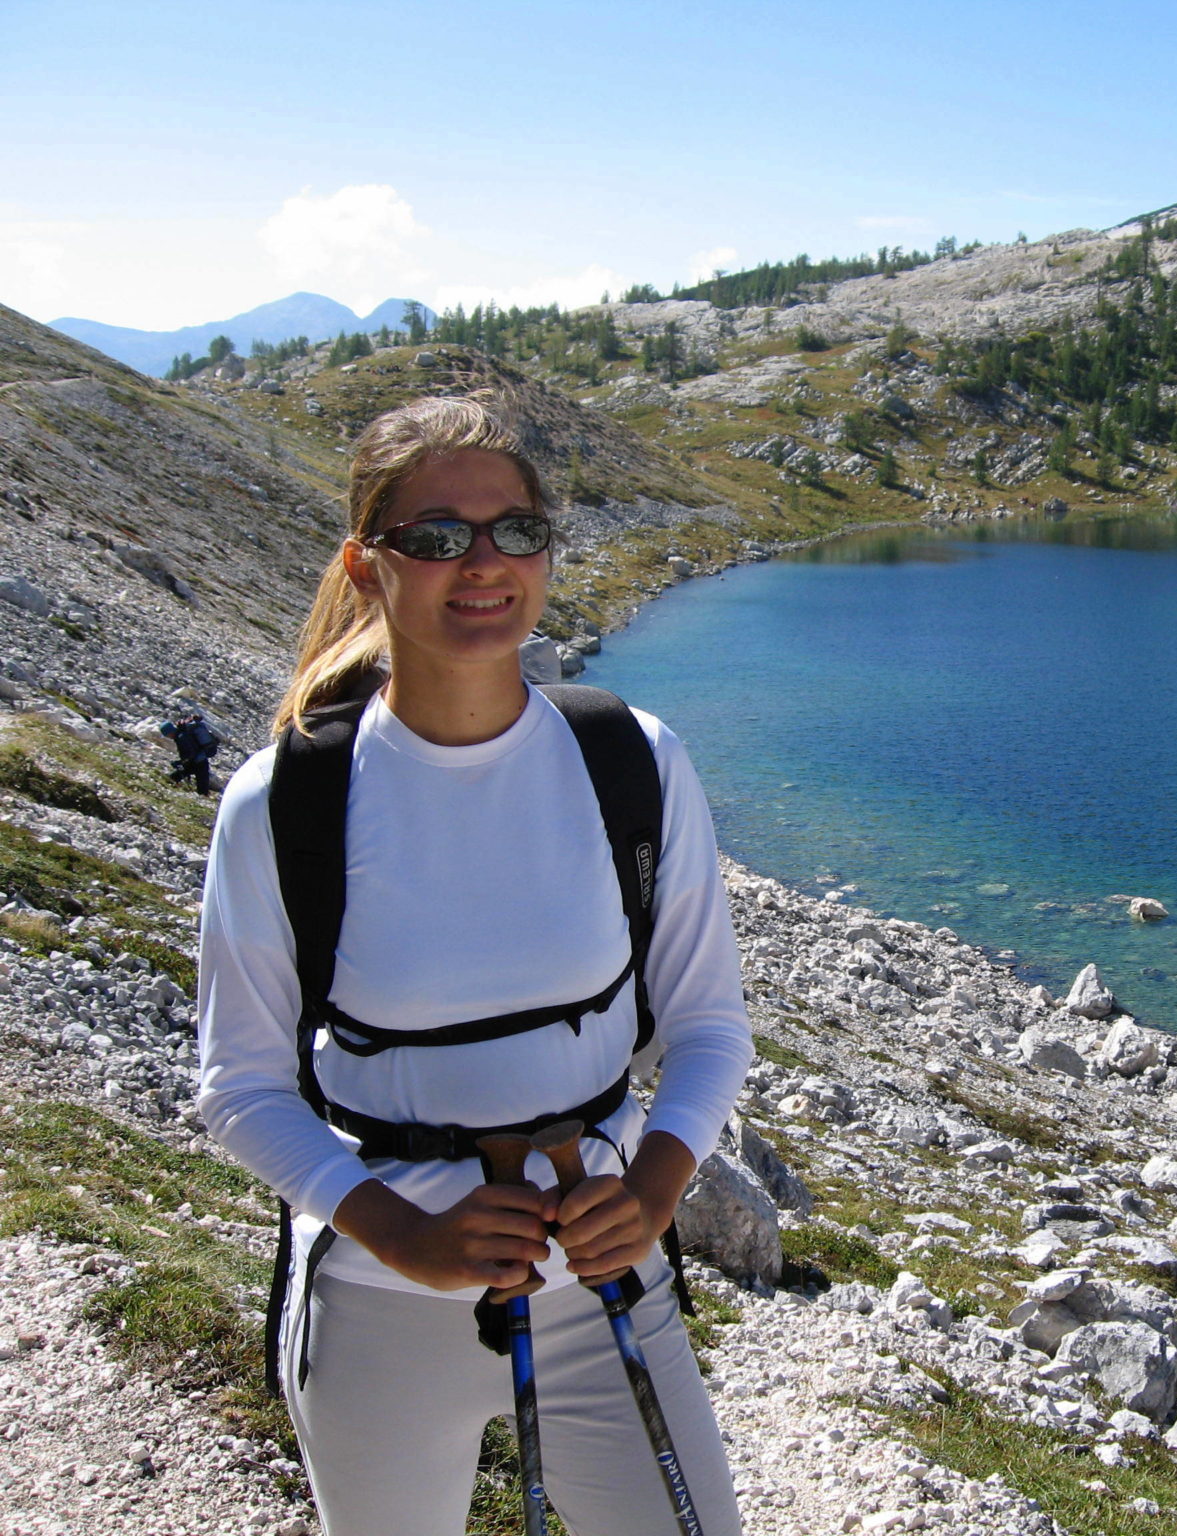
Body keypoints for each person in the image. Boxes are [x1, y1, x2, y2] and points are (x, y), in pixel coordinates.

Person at [196, 396, 751, 1536]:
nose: (485, 564)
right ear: (367, 564)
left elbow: (706, 1025)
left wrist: (651, 1195)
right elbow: (239, 1086)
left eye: (517, 531)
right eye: (438, 537)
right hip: (375, 1303)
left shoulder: (631, 762)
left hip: (607, 1290)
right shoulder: (283, 802)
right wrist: (401, 1234)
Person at [160, 708, 219, 794]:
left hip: (197, 763)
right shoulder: (182, 734)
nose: (168, 737)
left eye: (167, 735)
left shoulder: (181, 737)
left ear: (169, 733)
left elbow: (189, 754)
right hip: (200, 761)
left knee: (201, 790)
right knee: (202, 788)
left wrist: (181, 762)